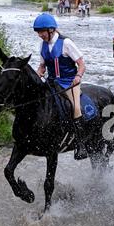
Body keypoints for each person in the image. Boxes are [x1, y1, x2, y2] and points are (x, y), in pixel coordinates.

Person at [33, 13, 88, 160]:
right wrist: (39, 72)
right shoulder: (43, 45)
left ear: (51, 30)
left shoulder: (66, 43)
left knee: (76, 108)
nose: (40, 35)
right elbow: (42, 65)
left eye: (41, 32)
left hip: (69, 82)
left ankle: (81, 145)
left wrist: (78, 76)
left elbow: (81, 64)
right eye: (38, 32)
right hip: (52, 83)